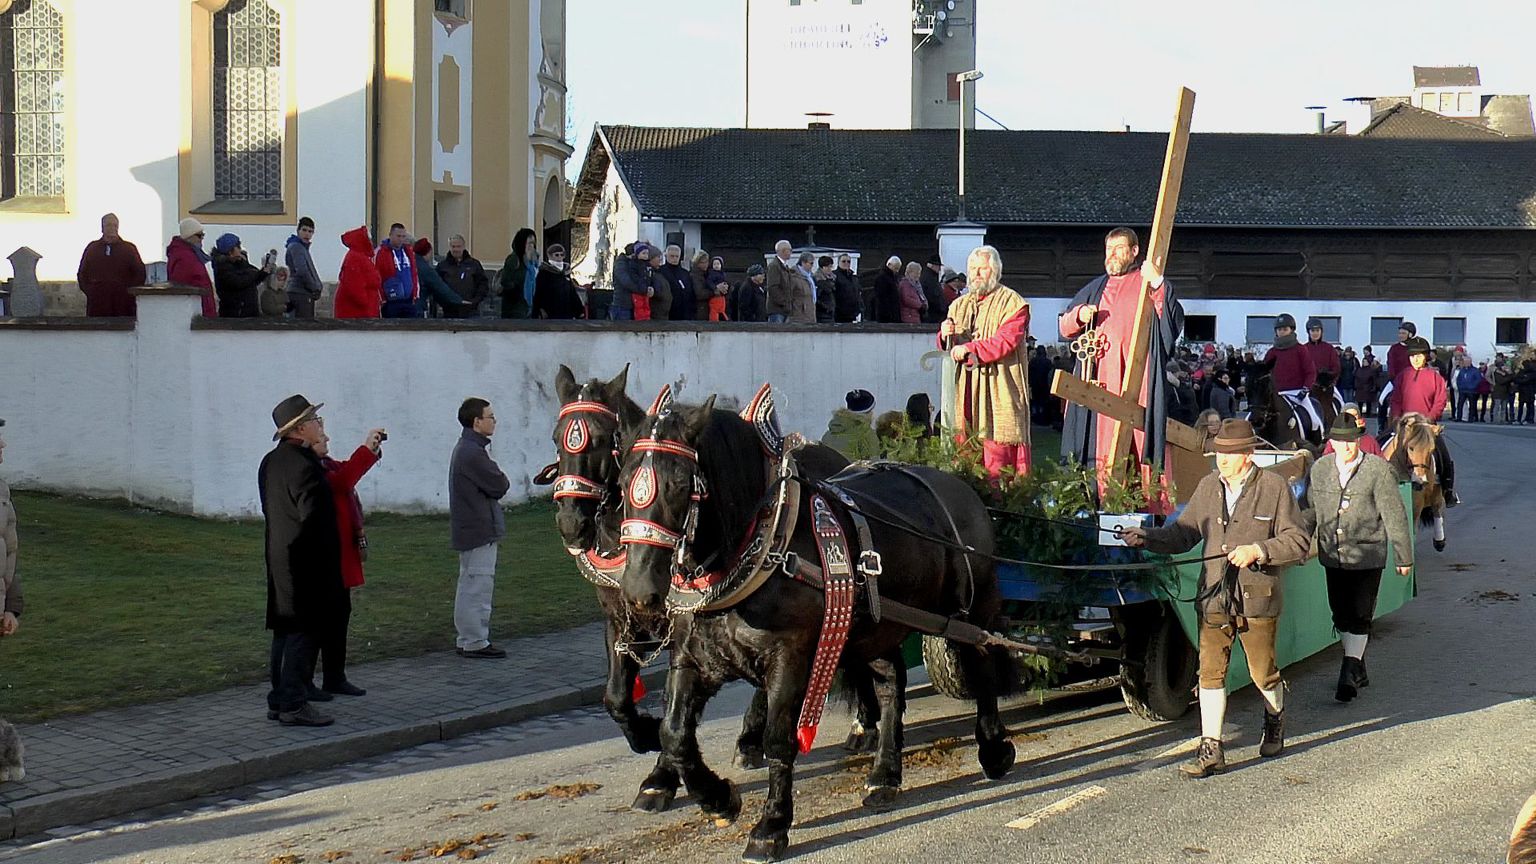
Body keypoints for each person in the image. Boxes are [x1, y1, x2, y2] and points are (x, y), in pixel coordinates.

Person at [1120, 419, 1311, 778]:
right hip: (1213, 597)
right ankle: (1211, 748)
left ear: (1248, 454)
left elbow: (1298, 542)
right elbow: (1183, 534)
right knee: (1209, 673)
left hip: (1257, 598)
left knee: (1263, 673)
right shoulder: (1208, 486)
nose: (1221, 459)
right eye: (1218, 452)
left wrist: (1259, 550)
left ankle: (1274, 718)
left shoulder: (1274, 488)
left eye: (1229, 453)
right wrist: (1147, 537)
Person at [1059, 227, 1184, 504]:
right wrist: (1080, 315)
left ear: (1134, 251)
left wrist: (1158, 283)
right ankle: (1100, 502)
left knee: (1139, 443)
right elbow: (1065, 326)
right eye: (1108, 249)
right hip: (1101, 384)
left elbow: (1171, 320)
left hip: (1138, 383)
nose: (1111, 255)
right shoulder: (1094, 289)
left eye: (1118, 248)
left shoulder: (1146, 283)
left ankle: (1147, 506)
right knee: (1099, 446)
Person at [1305, 414, 1413, 703]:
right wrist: (1300, 542)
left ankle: (1348, 672)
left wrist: (1404, 557)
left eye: (1352, 441)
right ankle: (1358, 665)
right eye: (1341, 442)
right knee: (1340, 614)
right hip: (1333, 554)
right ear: (1331, 442)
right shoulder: (1319, 469)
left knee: (1360, 614)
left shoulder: (1378, 470)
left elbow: (1394, 516)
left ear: (1360, 440)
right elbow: (1311, 511)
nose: (1347, 447)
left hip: (1368, 554)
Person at [259, 395, 344, 727]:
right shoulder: (304, 465)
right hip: (305, 559)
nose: (319, 427)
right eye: (315, 422)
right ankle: (293, 703)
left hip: (280, 554)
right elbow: (314, 520)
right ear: (300, 429)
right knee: (302, 631)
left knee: (284, 628)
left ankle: (279, 698)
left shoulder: (271, 461)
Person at [938, 246, 1031, 478]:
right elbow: (949, 345)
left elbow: (1005, 341)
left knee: (998, 456)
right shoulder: (958, 304)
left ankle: (1002, 498)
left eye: (983, 269)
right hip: (965, 388)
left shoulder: (1013, 303)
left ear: (996, 271)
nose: (977, 274)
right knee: (963, 450)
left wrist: (970, 349)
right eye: (973, 269)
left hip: (999, 386)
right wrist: (944, 334)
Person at [312, 423, 385, 698]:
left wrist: (371, 450)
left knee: (339, 615)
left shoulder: (327, 465)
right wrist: (365, 450)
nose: (327, 439)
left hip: (339, 552)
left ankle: (335, 675)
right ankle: (309, 680)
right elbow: (344, 481)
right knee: (325, 619)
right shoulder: (315, 470)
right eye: (321, 437)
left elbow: (346, 471)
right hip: (328, 554)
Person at [450, 398, 510, 659]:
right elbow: (499, 484)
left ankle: (467, 637)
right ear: (476, 422)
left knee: (469, 584)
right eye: (490, 417)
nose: (494, 421)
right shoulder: (473, 452)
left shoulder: (467, 448)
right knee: (478, 585)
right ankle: (475, 640)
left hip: (471, 527)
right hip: (478, 528)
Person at [1390, 336, 1458, 506]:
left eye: (1419, 356)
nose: (1415, 359)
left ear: (1426, 357)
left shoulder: (1435, 377)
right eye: (1412, 356)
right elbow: (1396, 399)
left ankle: (1448, 491)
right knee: (1381, 444)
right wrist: (1397, 417)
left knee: (1443, 454)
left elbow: (1440, 401)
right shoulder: (1402, 376)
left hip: (1426, 425)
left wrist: (1429, 418)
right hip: (1405, 424)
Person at [77, 213, 146, 317]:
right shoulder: (92, 248)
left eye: (115, 225)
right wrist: (91, 292)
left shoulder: (129, 249)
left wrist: (128, 293)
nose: (112, 228)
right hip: (98, 305)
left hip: (123, 306)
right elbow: (82, 274)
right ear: (102, 227)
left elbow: (140, 273)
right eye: (109, 225)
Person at [211, 233, 272, 318]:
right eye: (238, 246)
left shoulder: (239, 263)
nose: (240, 249)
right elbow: (239, 282)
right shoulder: (222, 267)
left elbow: (252, 281)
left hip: (248, 311)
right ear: (230, 251)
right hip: (235, 314)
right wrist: (253, 272)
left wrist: (263, 273)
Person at [166, 218, 216, 318]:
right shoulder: (185, 257)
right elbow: (183, 285)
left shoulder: (190, 254)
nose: (202, 239)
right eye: (199, 235)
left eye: (203, 235)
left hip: (201, 304)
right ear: (189, 236)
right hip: (197, 308)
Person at [435, 234, 490, 317]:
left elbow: (483, 284)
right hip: (449, 311)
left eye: (458, 246)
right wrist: (444, 302)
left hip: (471, 311)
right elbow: (437, 287)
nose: (456, 249)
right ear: (450, 247)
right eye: (453, 246)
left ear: (463, 247)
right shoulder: (442, 266)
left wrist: (475, 301)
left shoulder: (474, 264)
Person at [412, 238, 470, 318]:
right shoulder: (426, 269)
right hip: (418, 306)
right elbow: (440, 287)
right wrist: (459, 301)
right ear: (428, 252)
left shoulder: (409, 263)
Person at [333, 226, 382, 319]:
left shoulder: (360, 256)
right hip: (356, 310)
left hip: (362, 308)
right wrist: (366, 302)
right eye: (369, 239)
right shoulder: (355, 257)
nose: (371, 242)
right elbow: (354, 284)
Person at [375, 223, 421, 318]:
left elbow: (414, 273)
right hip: (390, 302)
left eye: (403, 236)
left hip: (408, 301)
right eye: (398, 236)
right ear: (390, 235)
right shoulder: (381, 252)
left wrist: (415, 295)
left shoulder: (408, 252)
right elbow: (376, 276)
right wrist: (382, 299)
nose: (401, 239)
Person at [820, 389, 880, 461]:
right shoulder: (866, 435)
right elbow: (874, 464)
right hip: (851, 468)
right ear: (869, 412)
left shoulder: (831, 430)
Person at [1265, 313, 1317, 391]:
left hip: (1297, 392)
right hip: (1276, 393)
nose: (1282, 332)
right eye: (1279, 329)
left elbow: (1310, 371)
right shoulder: (1271, 352)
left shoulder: (1300, 349)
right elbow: (1264, 374)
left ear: (1291, 330)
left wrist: (1306, 388)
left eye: (1285, 329)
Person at [284, 217, 324, 320]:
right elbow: (302, 271)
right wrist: (314, 287)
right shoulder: (296, 247)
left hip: (302, 292)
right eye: (304, 230)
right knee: (304, 325)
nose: (307, 234)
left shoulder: (302, 247)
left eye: (310, 231)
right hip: (300, 292)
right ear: (298, 231)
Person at [533, 243, 585, 319]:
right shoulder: (544, 273)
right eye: (556, 255)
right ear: (550, 256)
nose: (559, 257)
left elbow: (572, 293)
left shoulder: (566, 272)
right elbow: (538, 293)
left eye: (562, 255)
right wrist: (540, 310)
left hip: (566, 313)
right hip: (550, 313)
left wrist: (579, 311)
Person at [498, 228, 539, 319]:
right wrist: (516, 287)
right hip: (515, 306)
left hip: (530, 306)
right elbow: (505, 280)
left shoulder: (534, 262)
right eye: (529, 243)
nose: (531, 246)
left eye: (533, 243)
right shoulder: (514, 259)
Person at [609, 242, 652, 321]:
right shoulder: (621, 264)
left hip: (633, 304)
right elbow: (626, 282)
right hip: (622, 305)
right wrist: (644, 290)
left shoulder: (636, 264)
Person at [658, 244, 694, 322]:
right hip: (668, 312)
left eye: (677, 256)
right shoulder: (660, 271)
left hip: (685, 313)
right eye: (672, 256)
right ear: (666, 256)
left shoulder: (685, 273)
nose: (674, 259)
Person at [764, 240, 797, 324]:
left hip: (784, 310)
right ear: (783, 251)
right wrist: (784, 303)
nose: (791, 252)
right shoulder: (774, 266)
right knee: (777, 332)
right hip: (777, 310)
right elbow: (773, 287)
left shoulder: (784, 266)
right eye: (790, 250)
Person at [1303, 318, 1341, 387]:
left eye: (1317, 330)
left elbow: (1336, 367)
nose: (1315, 333)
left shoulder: (1329, 348)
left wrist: (1330, 376)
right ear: (1308, 332)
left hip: (1326, 386)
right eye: (1313, 331)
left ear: (1321, 331)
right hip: (1309, 386)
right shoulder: (1303, 349)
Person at [832, 253, 862, 323]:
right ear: (838, 262)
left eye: (848, 261)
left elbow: (857, 293)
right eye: (843, 261)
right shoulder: (834, 276)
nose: (846, 263)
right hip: (839, 314)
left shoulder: (853, 277)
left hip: (852, 313)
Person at [1453, 355, 1484, 422]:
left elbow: (1478, 379)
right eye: (1465, 362)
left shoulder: (1475, 370)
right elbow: (1458, 379)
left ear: (1470, 362)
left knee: (1472, 405)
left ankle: (1470, 418)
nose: (1465, 363)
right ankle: (1459, 417)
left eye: (1467, 362)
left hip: (1471, 391)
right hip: (1463, 390)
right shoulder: (1462, 370)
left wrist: (1473, 386)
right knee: (1460, 405)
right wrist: (1460, 386)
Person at [873, 255, 903, 323]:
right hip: (886, 315)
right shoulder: (882, 278)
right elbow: (881, 298)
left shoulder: (892, 278)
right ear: (889, 265)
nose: (897, 271)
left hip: (891, 313)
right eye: (896, 268)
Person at [920, 253, 948, 324]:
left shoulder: (930, 277)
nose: (939, 269)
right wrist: (941, 308)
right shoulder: (930, 279)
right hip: (933, 314)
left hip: (934, 313)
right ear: (932, 265)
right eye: (938, 266)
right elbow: (932, 296)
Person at [704, 256, 731, 321]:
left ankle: (725, 319)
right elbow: (709, 282)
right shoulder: (711, 274)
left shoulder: (723, 274)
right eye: (714, 264)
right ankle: (714, 321)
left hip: (722, 296)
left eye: (718, 264)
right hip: (715, 296)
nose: (716, 266)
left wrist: (726, 286)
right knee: (715, 309)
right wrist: (715, 287)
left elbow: (726, 282)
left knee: (721, 309)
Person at [814, 256, 837, 324]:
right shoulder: (818, 280)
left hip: (831, 312)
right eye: (827, 267)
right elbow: (817, 298)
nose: (829, 269)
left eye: (830, 266)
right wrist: (826, 307)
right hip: (822, 314)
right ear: (822, 267)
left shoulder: (832, 279)